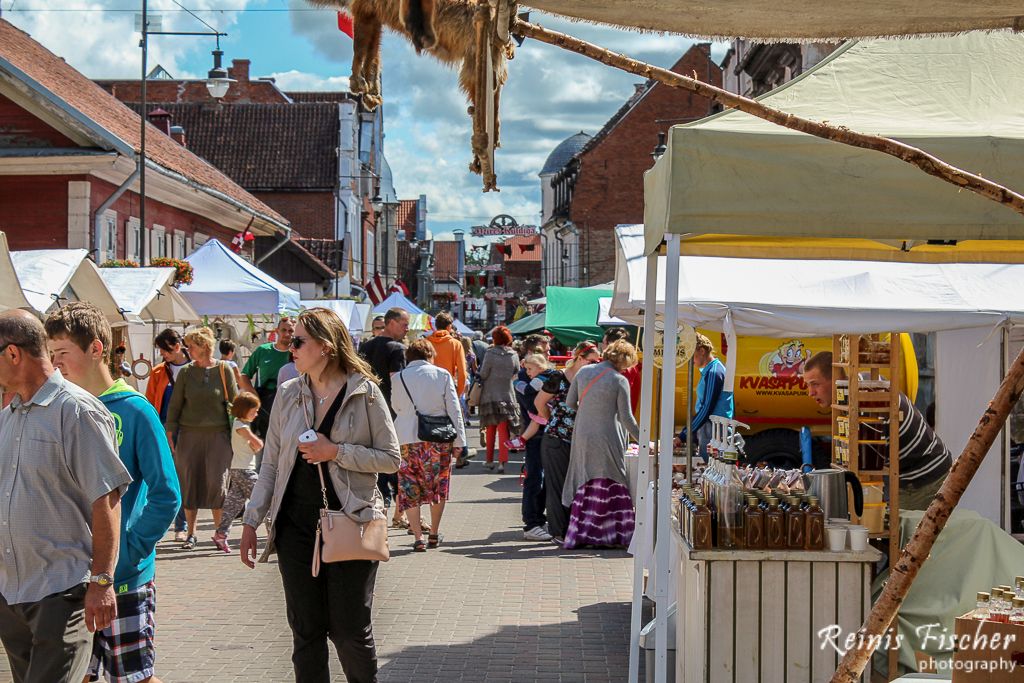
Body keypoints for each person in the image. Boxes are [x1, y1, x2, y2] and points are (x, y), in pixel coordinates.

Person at [239, 307, 400, 683]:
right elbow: (272, 465)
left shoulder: (365, 392)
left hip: (352, 521)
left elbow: (391, 459)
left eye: (297, 341)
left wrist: (336, 452)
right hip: (295, 527)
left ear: (325, 347)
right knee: (306, 632)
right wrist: (251, 519)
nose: (288, 347)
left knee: (349, 631)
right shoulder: (288, 393)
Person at [44, 303, 181, 683]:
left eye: (63, 353)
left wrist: (132, 547)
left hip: (124, 581)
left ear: (96, 348)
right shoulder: (61, 409)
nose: (56, 364)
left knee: (134, 677)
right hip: (69, 580)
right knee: (76, 677)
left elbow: (167, 493)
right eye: (51, 355)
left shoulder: (135, 410)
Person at [0, 310, 132, 683]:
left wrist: (102, 582)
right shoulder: (7, 417)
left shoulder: (77, 411)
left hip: (61, 592)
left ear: (13, 354)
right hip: (11, 593)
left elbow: (106, 499)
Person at [802, 351, 952, 510]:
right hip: (906, 476)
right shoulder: (854, 390)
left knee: (906, 532)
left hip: (925, 477)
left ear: (835, 378)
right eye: (808, 385)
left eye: (815, 384)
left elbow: (868, 467)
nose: (810, 392)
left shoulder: (864, 398)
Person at [165, 327, 238, 550]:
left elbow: (235, 404)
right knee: (190, 482)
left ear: (204, 347)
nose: (188, 350)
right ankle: (191, 533)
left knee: (217, 484)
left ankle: (219, 534)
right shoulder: (186, 373)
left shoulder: (224, 370)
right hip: (189, 435)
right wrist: (170, 434)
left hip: (218, 436)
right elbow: (175, 405)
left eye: (191, 346)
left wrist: (241, 433)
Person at [563, 340, 641, 549]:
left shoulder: (583, 372)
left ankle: (583, 533)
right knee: (612, 479)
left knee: (585, 479)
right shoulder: (619, 379)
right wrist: (645, 441)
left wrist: (590, 407)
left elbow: (570, 403)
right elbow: (627, 418)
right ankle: (610, 533)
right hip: (607, 436)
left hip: (582, 434)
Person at [391, 339, 466, 551]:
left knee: (410, 487)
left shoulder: (398, 377)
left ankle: (417, 537)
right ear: (430, 355)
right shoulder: (442, 375)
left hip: (406, 437)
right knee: (437, 486)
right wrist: (460, 441)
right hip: (438, 438)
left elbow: (396, 406)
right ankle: (433, 533)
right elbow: (454, 409)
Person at [536, 341, 602, 544]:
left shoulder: (590, 378)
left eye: (598, 361)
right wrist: (553, 421)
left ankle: (574, 529)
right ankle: (559, 532)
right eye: (592, 360)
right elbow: (539, 402)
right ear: (580, 358)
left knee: (576, 485)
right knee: (557, 485)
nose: (596, 364)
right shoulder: (559, 377)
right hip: (556, 439)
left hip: (579, 440)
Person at [358, 307, 410, 527]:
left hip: (366, 409)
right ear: (391, 323)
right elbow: (397, 381)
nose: (407, 329)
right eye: (404, 324)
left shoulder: (365, 346)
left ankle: (375, 507)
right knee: (395, 461)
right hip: (391, 412)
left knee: (373, 461)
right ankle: (401, 511)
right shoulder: (397, 348)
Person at [145, 328, 191, 541]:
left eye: (165, 350)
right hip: (166, 429)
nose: (163, 354)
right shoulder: (158, 372)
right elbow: (151, 402)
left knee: (186, 477)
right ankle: (176, 525)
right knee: (170, 476)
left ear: (177, 346)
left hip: (191, 429)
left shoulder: (195, 368)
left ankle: (185, 526)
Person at [511, 353, 557, 541]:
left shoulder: (539, 378)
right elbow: (532, 403)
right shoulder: (535, 379)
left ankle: (537, 519)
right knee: (536, 478)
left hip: (540, 429)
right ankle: (533, 522)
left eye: (530, 368)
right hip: (540, 430)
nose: (527, 371)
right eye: (526, 368)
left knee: (540, 478)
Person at [212, 391, 263, 553]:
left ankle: (221, 534)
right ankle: (274, 533)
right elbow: (258, 444)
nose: (256, 414)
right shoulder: (241, 426)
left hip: (237, 469)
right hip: (245, 470)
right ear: (244, 410)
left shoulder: (238, 424)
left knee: (232, 505)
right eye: (253, 411)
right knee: (263, 500)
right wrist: (256, 444)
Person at [674, 333, 733, 461]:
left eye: (692, 356)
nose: (692, 361)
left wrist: (684, 434)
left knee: (710, 469)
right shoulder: (713, 370)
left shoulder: (714, 372)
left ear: (701, 351)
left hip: (713, 429)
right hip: (712, 427)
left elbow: (706, 409)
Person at [240, 317, 295, 439]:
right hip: (264, 406)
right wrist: (254, 396)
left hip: (289, 407)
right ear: (277, 331)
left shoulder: (297, 353)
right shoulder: (263, 351)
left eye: (290, 331)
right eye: (283, 330)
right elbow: (244, 375)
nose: (287, 334)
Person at [478, 326, 521, 474]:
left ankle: (489, 460)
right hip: (507, 395)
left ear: (495, 338)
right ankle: (502, 462)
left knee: (490, 429)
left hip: (490, 395)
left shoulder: (490, 353)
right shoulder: (513, 355)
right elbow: (517, 371)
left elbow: (483, 374)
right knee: (504, 430)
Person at [426, 311, 469, 397]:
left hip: (428, 387)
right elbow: (462, 373)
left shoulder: (426, 342)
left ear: (436, 326)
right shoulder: (456, 344)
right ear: (449, 327)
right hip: (447, 388)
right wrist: (458, 393)